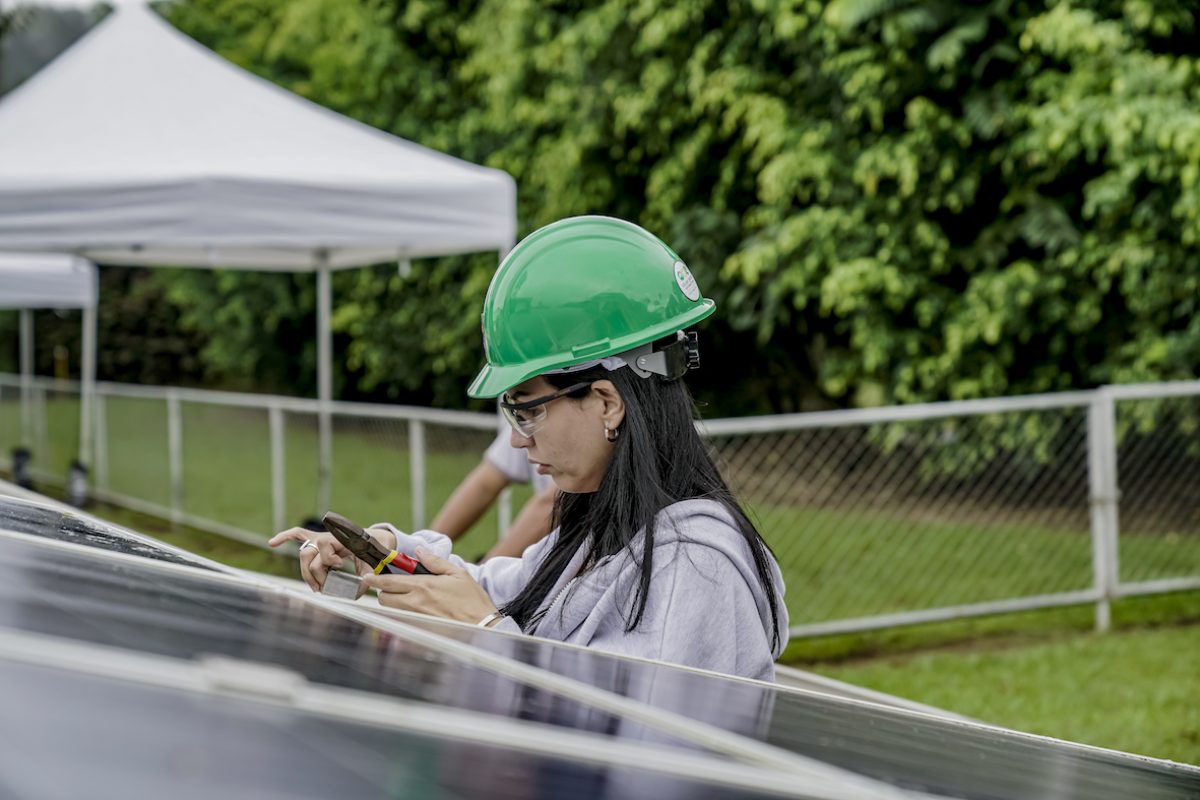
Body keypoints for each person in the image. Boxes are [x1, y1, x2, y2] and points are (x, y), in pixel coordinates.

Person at [270, 216, 788, 680]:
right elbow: (507, 589)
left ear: (607, 402)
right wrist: (385, 552)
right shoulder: (601, 529)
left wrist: (487, 635)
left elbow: (654, 760)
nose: (518, 437)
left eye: (528, 409)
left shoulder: (700, 570)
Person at [431, 422, 557, 560]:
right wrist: (424, 550)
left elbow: (552, 503)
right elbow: (485, 484)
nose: (515, 441)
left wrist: (482, 574)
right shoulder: (526, 417)